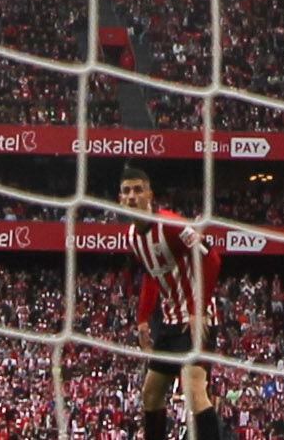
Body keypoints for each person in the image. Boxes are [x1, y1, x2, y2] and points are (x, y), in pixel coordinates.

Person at [95, 167, 217, 440]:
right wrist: (142, 319)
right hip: (170, 323)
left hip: (195, 320)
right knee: (151, 394)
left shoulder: (171, 225)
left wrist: (198, 312)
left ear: (150, 194)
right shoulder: (132, 236)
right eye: (126, 191)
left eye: (138, 189)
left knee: (194, 390)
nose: (132, 196)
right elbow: (153, 274)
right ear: (119, 198)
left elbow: (212, 258)